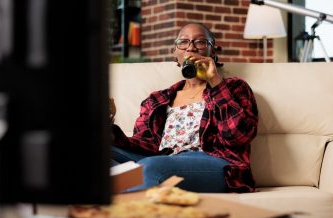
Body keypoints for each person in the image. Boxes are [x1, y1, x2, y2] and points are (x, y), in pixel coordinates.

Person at [110, 22, 258, 193]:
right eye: (183, 42)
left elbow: (238, 136)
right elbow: (145, 144)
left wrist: (215, 82)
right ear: (175, 54)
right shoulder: (156, 100)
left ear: (213, 51)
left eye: (200, 42)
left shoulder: (234, 88)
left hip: (215, 163)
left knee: (150, 167)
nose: (191, 48)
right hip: (163, 159)